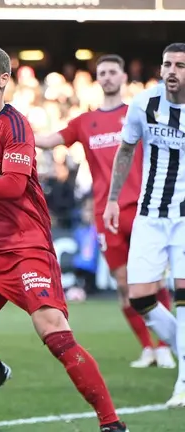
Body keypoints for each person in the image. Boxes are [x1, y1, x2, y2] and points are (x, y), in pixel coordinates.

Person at [0, 46, 127, 432]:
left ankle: (111, 423)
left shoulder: (16, 126)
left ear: (3, 80)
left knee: (54, 334)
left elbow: (12, 186)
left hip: (25, 246)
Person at [35, 54, 174, 369]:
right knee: (124, 285)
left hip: (143, 208)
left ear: (124, 77)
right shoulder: (85, 122)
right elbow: (48, 141)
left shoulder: (139, 113)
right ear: (97, 79)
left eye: (113, 72)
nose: (108, 77)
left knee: (150, 283)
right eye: (103, 73)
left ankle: (166, 345)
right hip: (105, 213)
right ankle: (148, 349)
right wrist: (12, 129)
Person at [104, 42, 185, 408]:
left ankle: (183, 382)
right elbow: (125, 150)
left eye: (180, 66)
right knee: (139, 298)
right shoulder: (144, 104)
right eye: (167, 64)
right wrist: (111, 199)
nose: (171, 71)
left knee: (182, 296)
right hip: (149, 215)